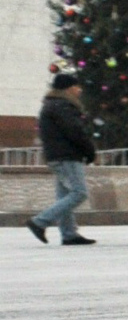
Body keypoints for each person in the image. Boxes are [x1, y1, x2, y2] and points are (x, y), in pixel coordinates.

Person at [31, 73, 96, 245]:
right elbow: (75, 132)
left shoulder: (53, 105)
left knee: (65, 195)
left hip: (57, 155)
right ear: (68, 89)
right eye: (76, 86)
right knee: (79, 193)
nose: (79, 90)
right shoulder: (63, 106)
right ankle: (40, 221)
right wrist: (89, 150)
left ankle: (69, 234)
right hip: (67, 155)